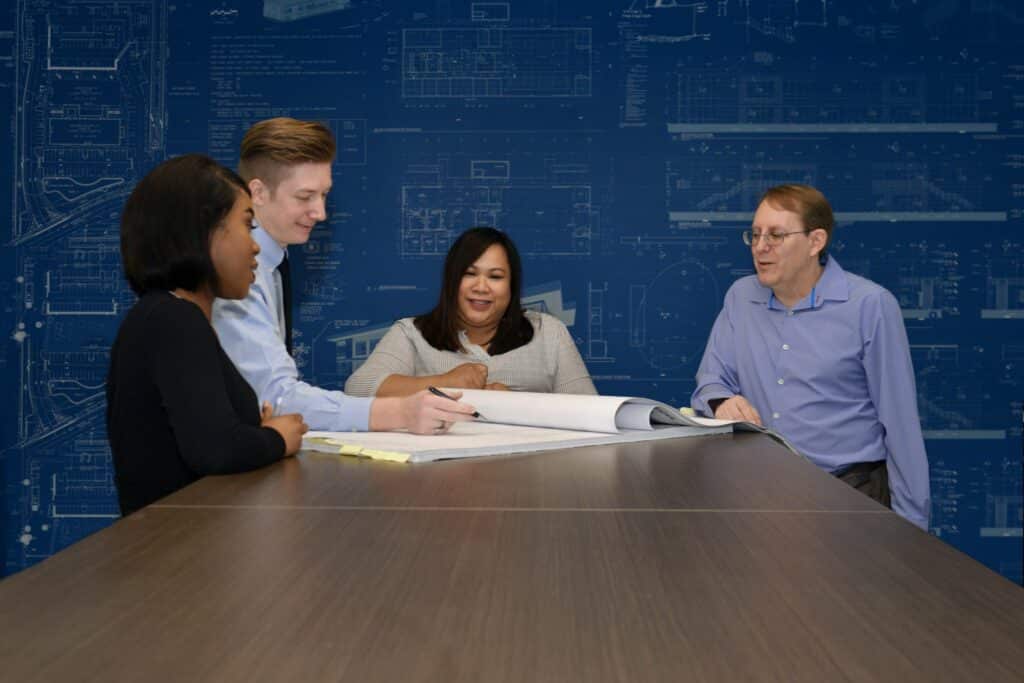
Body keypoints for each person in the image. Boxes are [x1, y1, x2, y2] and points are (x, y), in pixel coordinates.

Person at [212, 117, 476, 434]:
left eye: (324, 195)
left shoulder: (273, 262)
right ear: (258, 193)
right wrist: (400, 413)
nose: (320, 213)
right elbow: (276, 396)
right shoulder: (236, 273)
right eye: (305, 196)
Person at [691, 184, 931, 530]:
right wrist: (722, 401)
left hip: (848, 496)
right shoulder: (740, 298)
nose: (760, 247)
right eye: (755, 235)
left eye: (775, 235)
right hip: (758, 494)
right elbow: (710, 381)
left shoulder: (870, 306)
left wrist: (912, 530)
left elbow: (900, 423)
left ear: (815, 242)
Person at [107, 154, 309, 516]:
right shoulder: (174, 321)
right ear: (204, 232)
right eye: (247, 226)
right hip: (178, 552)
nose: (255, 246)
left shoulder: (167, 317)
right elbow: (215, 448)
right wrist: (277, 437)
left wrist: (253, 431)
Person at [344, 227, 597, 397]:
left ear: (511, 286)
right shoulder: (411, 333)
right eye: (470, 274)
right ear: (452, 281)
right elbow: (358, 388)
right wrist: (444, 383)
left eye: (495, 277)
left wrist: (519, 406)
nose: (481, 287)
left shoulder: (548, 332)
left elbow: (590, 411)